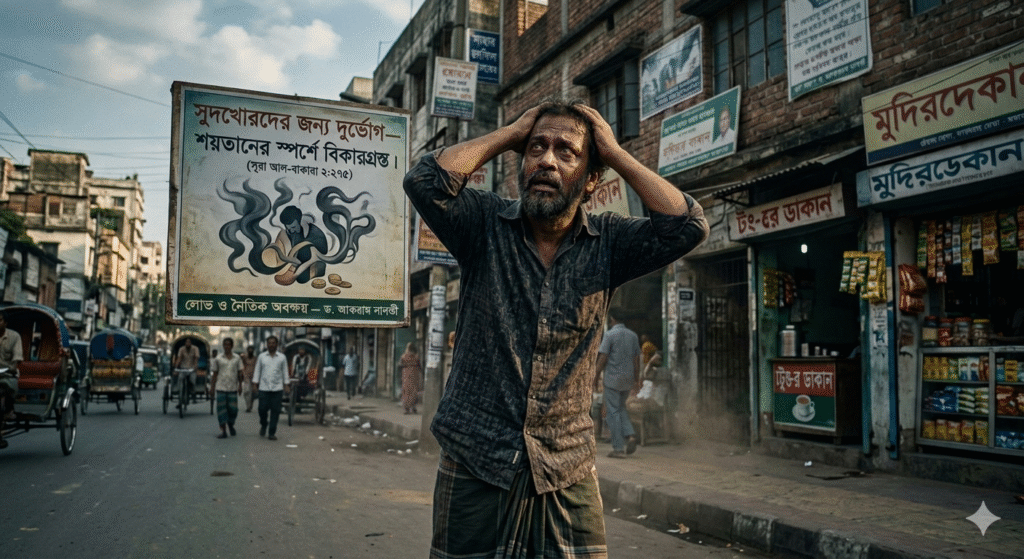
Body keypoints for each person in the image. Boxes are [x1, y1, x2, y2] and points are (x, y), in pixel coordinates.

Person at [403, 98, 708, 557]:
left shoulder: (608, 243)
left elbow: (688, 225)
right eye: (536, 148)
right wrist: (511, 132)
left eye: (566, 151)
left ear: (590, 181)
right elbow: (424, 181)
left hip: (565, 465)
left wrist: (614, 151)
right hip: (475, 457)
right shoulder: (484, 224)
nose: (546, 159)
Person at [595, 314, 642, 458]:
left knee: (612, 412)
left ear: (612, 319)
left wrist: (595, 376)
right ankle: (631, 435)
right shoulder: (633, 336)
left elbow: (603, 357)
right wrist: (636, 379)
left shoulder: (609, 335)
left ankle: (618, 448)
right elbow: (636, 359)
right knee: (621, 408)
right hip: (627, 379)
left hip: (613, 380)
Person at [252, 336, 289, 440]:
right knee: (262, 410)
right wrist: (255, 383)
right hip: (264, 388)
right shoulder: (261, 357)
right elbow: (257, 370)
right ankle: (264, 424)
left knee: (275, 411)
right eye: (269, 343)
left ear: (277, 345)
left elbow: (285, 372)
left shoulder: (282, 357)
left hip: (277, 389)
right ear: (266, 344)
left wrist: (286, 385)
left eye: (273, 343)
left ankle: (271, 432)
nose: (271, 345)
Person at [210, 337, 243, 438]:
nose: (227, 346)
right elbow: (214, 374)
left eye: (229, 344)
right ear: (223, 346)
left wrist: (240, 385)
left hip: (232, 388)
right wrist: (212, 388)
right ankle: (223, 431)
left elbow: (240, 372)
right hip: (221, 388)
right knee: (221, 411)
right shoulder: (218, 359)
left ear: (232, 346)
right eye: (225, 344)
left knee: (233, 410)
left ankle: (231, 424)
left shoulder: (237, 358)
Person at [0, 310, 23, 447]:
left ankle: (9, 410)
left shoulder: (14, 337)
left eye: (0, 320)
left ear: (5, 323)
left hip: (8, 374)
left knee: (7, 387)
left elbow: (16, 361)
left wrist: (11, 367)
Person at [173, 338, 200, 408]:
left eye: (189, 342)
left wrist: (195, 366)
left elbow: (196, 358)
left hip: (192, 369)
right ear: (185, 343)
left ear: (191, 343)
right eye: (186, 342)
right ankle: (180, 397)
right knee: (180, 379)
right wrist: (176, 367)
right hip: (183, 368)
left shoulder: (195, 348)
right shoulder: (182, 349)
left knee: (192, 381)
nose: (188, 343)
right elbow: (179, 358)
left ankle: (193, 394)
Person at [399, 342, 422, 414]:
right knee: (414, 391)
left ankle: (407, 408)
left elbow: (400, 364)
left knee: (406, 391)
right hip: (414, 374)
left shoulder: (404, 356)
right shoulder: (416, 356)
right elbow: (419, 366)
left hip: (406, 374)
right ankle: (413, 407)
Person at [239, 345, 257, 412]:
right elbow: (242, 364)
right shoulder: (245, 358)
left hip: (254, 377)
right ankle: (248, 406)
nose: (250, 351)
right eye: (249, 349)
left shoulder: (255, 358)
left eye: (251, 350)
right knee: (246, 392)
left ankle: (250, 405)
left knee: (253, 393)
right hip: (246, 376)